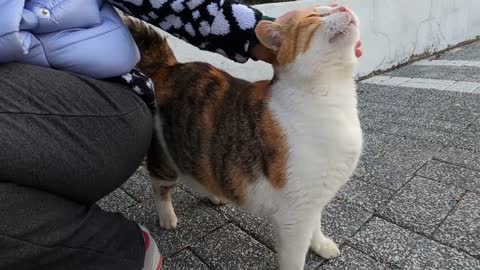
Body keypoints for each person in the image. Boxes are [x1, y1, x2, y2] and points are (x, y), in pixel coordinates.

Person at [0, 1, 362, 270]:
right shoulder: (292, 116)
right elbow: (294, 208)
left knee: (309, 195)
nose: (337, 12)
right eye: (318, 17)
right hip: (56, 88)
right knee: (177, 162)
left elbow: (305, 201)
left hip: (98, 89)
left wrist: (246, 27)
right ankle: (159, 202)